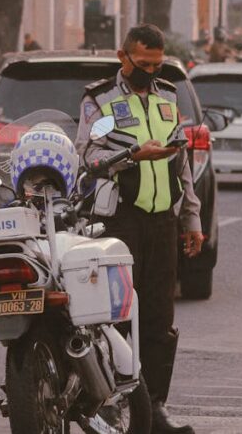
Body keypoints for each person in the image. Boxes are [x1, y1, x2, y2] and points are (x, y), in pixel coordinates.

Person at [75, 24, 203, 434]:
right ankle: (114, 405)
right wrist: (132, 154)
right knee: (115, 320)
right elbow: (88, 154)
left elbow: (181, 162)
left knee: (159, 322)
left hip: (162, 222)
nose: (149, 71)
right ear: (122, 57)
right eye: (142, 63)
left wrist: (192, 218)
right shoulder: (99, 100)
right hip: (119, 223)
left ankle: (155, 408)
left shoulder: (167, 96)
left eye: (156, 64)